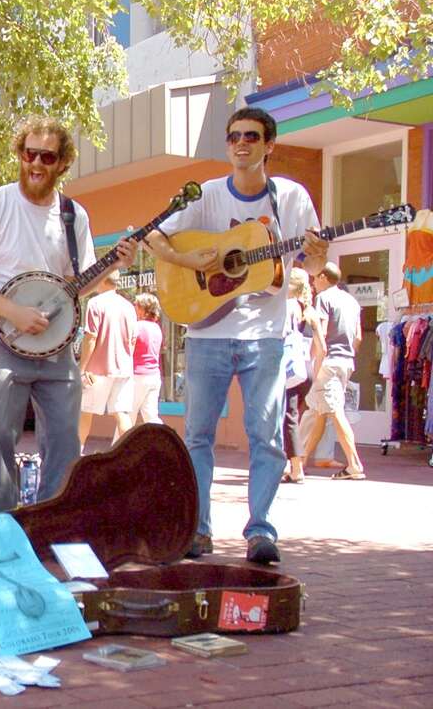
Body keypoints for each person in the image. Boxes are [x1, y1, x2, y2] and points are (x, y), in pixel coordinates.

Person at [145, 106, 327, 565]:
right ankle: (198, 529)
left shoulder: (290, 198)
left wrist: (319, 255)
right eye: (233, 137)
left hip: (266, 335)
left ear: (269, 145)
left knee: (265, 435)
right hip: (207, 332)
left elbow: (312, 267)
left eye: (250, 136)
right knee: (198, 436)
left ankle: (260, 531)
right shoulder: (206, 195)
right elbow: (154, 238)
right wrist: (194, 263)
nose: (240, 143)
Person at [0, 115, 137, 514]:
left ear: (62, 164)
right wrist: (13, 313)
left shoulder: (74, 217)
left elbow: (75, 286)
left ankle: (52, 522)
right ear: (19, 154)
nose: (36, 164)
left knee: (64, 441)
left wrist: (110, 265)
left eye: (47, 157)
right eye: (28, 153)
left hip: (56, 348)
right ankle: (2, 524)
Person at [302, 262, 366, 480]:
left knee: (335, 412)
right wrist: (348, 357)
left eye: (314, 278)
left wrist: (316, 361)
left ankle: (354, 464)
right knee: (321, 411)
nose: (312, 282)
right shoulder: (352, 301)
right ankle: (300, 462)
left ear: (322, 277)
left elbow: (320, 332)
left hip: (328, 361)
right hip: (346, 360)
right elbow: (358, 337)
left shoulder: (323, 298)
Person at [77, 270, 137, 448]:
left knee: (85, 412)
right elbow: (132, 340)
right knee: (121, 413)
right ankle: (129, 454)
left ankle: (77, 454)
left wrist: (82, 368)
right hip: (123, 367)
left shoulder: (95, 303)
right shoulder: (128, 306)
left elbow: (91, 337)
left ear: (101, 280)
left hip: (97, 368)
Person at [281, 268, 322, 483]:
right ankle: (293, 464)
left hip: (290, 367)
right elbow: (320, 346)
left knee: (288, 417)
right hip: (306, 368)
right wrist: (314, 366)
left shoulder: (289, 307)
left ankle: (296, 467)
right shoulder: (310, 310)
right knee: (294, 415)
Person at [131, 292, 165, 426]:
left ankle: (118, 446)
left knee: (127, 415)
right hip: (153, 376)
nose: (134, 307)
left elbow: (129, 348)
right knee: (151, 416)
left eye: (136, 305)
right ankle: (164, 443)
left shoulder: (137, 326)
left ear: (143, 308)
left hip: (137, 376)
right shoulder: (157, 328)